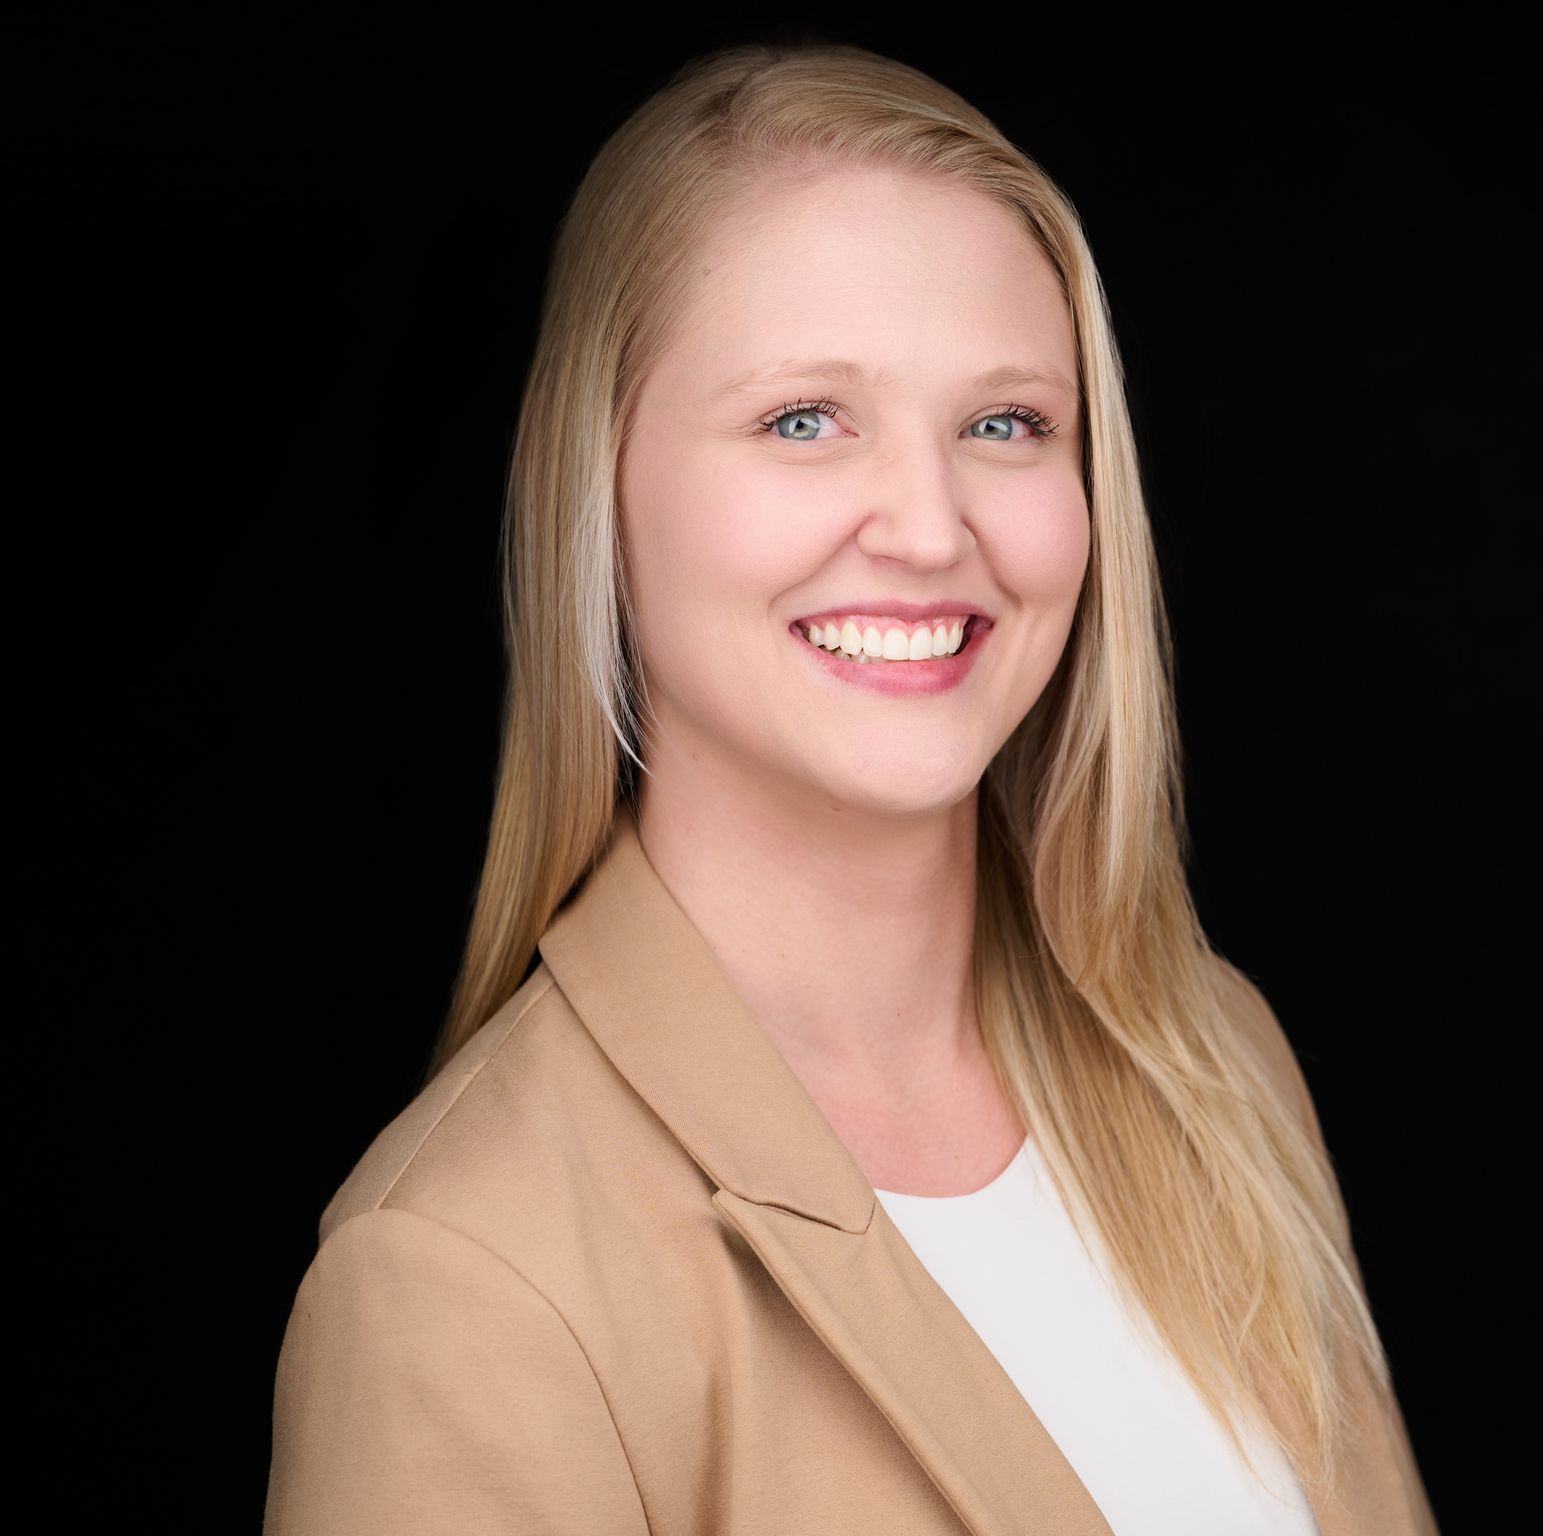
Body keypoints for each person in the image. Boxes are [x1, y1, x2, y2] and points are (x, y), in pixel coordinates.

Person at [263, 38, 1439, 1536]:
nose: (932, 526)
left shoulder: (1211, 1059)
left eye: (1005, 422)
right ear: (598, 491)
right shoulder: (466, 1279)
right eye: (804, 419)